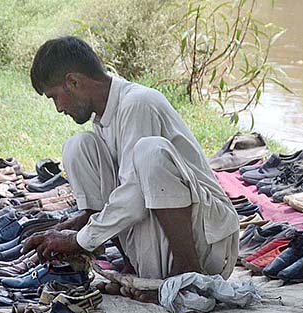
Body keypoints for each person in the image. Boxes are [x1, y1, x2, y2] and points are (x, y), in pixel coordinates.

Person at [24, 36, 240, 280]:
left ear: (73, 82)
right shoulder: (104, 115)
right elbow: (126, 192)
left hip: (208, 244)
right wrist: (77, 225)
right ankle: (134, 264)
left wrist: (78, 239)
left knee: (149, 152)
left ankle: (187, 273)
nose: (59, 108)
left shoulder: (139, 104)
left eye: (54, 97)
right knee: (79, 146)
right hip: (155, 237)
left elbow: (134, 198)